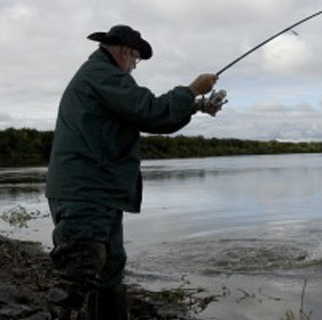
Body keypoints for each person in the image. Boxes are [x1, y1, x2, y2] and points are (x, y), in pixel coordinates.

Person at [44, 25, 220, 319]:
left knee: (110, 270)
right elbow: (149, 110)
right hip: (85, 192)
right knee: (80, 270)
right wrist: (192, 90)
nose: (134, 66)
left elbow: (154, 117)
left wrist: (193, 105)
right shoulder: (101, 75)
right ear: (126, 51)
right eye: (136, 59)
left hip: (101, 193)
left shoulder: (102, 77)